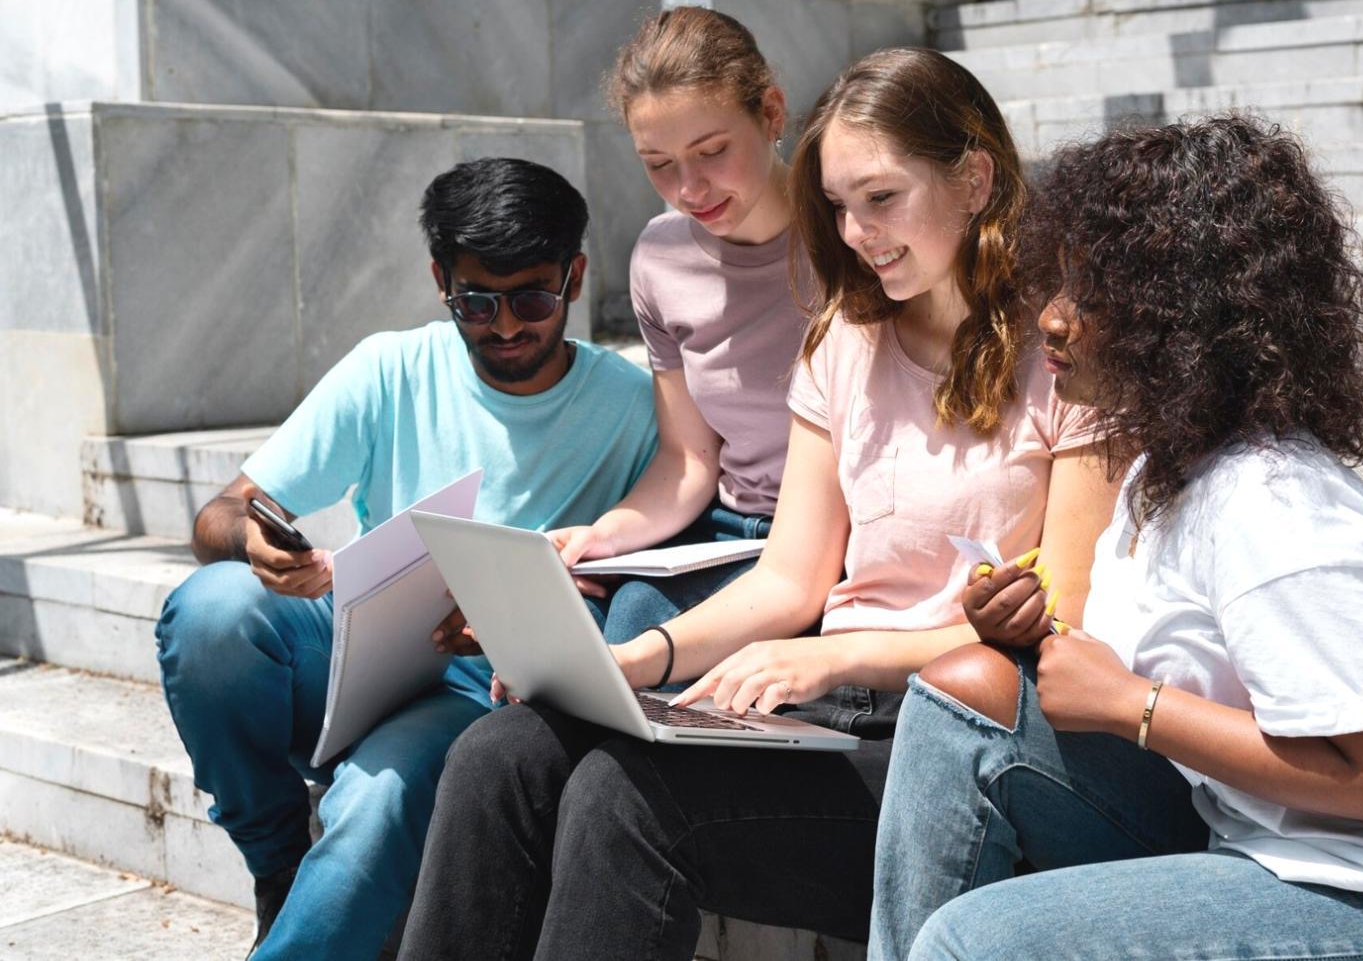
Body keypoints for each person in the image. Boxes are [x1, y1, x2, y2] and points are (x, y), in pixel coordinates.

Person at [397, 47, 1118, 960]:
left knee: (626, 798)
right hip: (830, 708)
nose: (855, 233)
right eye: (837, 206)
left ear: (975, 178)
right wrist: (633, 659)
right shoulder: (845, 343)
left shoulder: (1065, 355)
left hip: (950, 738)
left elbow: (1067, 615)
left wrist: (825, 659)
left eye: (882, 198)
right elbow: (787, 577)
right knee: (500, 754)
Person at [867, 115, 1363, 961]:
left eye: (1089, 294)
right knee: (962, 696)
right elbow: (1151, 672)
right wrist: (1033, 637)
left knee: (973, 939)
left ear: (1184, 314)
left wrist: (1127, 706)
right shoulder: (1160, 469)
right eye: (1056, 284)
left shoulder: (1274, 501)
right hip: (1245, 834)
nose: (1053, 321)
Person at [152, 158, 658, 960]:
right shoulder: (393, 366)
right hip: (353, 643)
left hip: (477, 687)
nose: (505, 326)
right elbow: (220, 512)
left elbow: (648, 584)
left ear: (575, 275)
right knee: (213, 610)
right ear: (439, 281)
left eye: (532, 296)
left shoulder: (631, 407)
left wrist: (514, 617)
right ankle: (277, 862)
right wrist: (254, 539)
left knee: (375, 803)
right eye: (475, 302)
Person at [539, 6, 806, 653]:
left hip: (834, 542)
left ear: (771, 113)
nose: (689, 187)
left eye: (712, 152)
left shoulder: (855, 235)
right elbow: (689, 455)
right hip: (728, 529)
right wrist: (603, 533)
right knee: (613, 623)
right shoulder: (660, 256)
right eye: (657, 162)